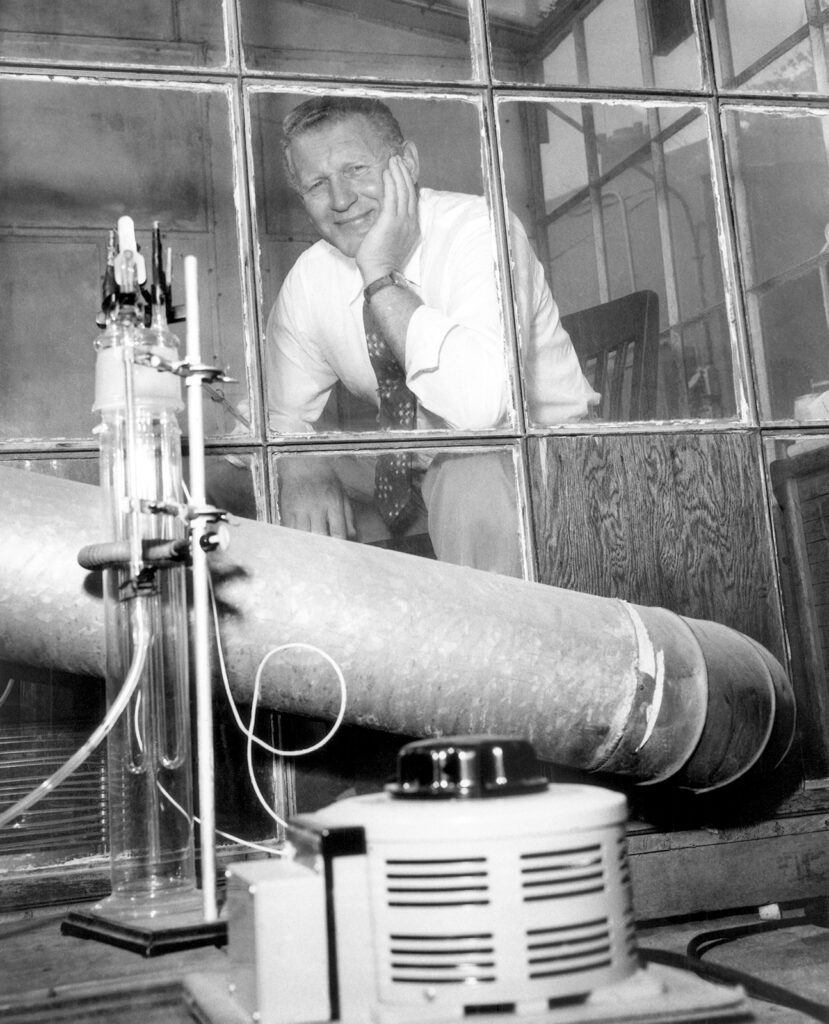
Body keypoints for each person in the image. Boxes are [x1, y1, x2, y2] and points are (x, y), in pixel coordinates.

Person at [266, 95, 598, 576]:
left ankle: (492, 644)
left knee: (467, 472)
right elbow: (277, 418)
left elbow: (480, 413)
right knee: (233, 477)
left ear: (409, 163)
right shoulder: (311, 277)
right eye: (318, 184)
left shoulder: (480, 230)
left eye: (357, 169)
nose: (340, 200)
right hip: (412, 464)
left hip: (547, 461)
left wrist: (379, 275)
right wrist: (296, 462)